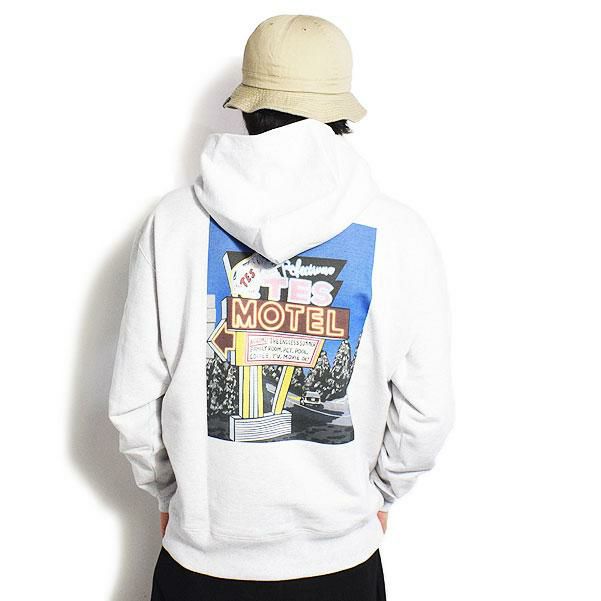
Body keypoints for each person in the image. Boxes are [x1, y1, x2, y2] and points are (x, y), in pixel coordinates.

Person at [108, 14, 454, 601]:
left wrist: (173, 499)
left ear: (249, 105)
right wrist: (377, 498)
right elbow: (427, 414)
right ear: (340, 114)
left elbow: (132, 401)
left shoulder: (173, 225)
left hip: (201, 567)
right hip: (340, 566)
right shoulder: (400, 233)